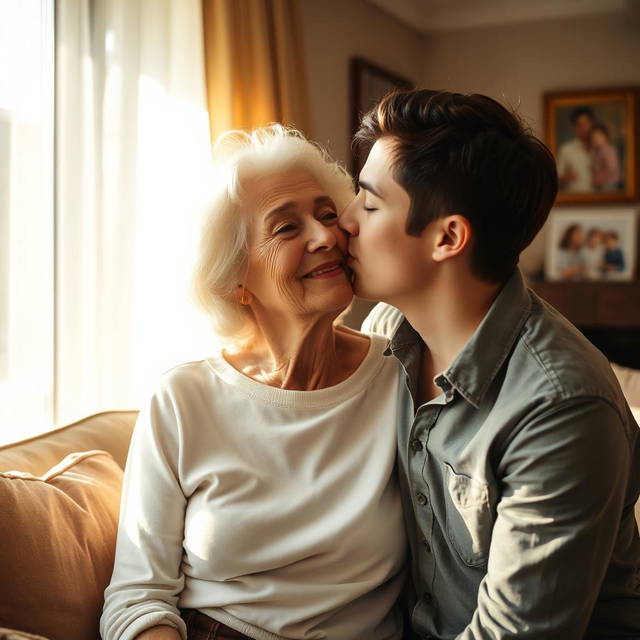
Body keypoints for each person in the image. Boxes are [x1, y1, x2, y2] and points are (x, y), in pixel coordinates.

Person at [339, 89, 640, 639]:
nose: (345, 220)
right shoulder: (385, 333)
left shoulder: (562, 409)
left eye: (370, 203)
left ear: (447, 237)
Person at [100, 125, 408, 640]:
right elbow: (138, 595)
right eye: (286, 229)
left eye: (328, 214)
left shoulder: (400, 377)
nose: (325, 236)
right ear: (237, 281)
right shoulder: (184, 399)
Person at [557, 106, 594, 193]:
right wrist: (566, 177)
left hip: (602, 201)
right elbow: (557, 177)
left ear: (592, 124)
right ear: (574, 127)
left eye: (586, 124)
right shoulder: (566, 150)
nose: (583, 128)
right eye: (579, 125)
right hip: (574, 202)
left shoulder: (601, 148)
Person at [590, 123, 621, 191]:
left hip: (609, 183)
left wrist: (598, 180)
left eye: (599, 136)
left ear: (606, 137)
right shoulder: (598, 151)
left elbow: (611, 169)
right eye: (593, 137)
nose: (595, 139)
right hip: (603, 183)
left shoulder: (607, 150)